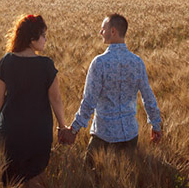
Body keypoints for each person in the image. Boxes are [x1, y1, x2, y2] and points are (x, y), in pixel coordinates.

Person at [0, 13, 71, 188]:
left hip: (12, 130)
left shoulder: (7, 61)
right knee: (34, 177)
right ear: (32, 38)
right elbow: (56, 99)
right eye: (43, 36)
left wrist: (6, 115)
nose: (45, 40)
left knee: (10, 173)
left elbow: (0, 95)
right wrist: (62, 126)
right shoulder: (46, 65)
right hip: (38, 131)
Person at [62, 13, 162, 162]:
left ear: (113, 31)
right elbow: (148, 97)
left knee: (93, 179)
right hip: (130, 135)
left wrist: (74, 130)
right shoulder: (137, 62)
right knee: (126, 179)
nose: (100, 32)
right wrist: (156, 125)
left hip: (104, 136)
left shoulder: (99, 63)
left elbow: (89, 101)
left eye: (103, 29)